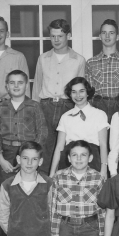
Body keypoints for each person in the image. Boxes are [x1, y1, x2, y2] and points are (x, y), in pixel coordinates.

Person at [32, 19, 86, 175]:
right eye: (52, 36)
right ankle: (44, 186)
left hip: (68, 106)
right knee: (44, 147)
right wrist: (35, 110)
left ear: (68, 36)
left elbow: (81, 91)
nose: (56, 40)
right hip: (46, 107)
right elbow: (37, 86)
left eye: (60, 36)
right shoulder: (43, 58)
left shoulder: (79, 60)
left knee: (67, 149)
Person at [0, 70, 48, 186]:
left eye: (20, 83)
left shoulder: (34, 106)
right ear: (7, 86)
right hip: (6, 155)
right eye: (12, 83)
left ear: (26, 86)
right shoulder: (1, 107)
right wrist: (1, 159)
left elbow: (42, 131)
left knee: (28, 187)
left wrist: (30, 155)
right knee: (6, 188)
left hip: (28, 153)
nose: (16, 86)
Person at [49, 77, 109, 177]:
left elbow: (103, 144)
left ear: (88, 93)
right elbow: (59, 147)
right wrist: (52, 173)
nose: (78, 95)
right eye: (74, 92)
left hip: (92, 159)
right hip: (69, 160)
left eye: (81, 91)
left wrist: (104, 169)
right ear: (70, 94)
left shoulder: (99, 114)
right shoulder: (65, 116)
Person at [86, 19, 119, 123]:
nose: (107, 36)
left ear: (117, 37)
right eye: (104, 33)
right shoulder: (91, 62)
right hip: (98, 106)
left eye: (111, 33)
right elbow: (88, 92)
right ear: (99, 36)